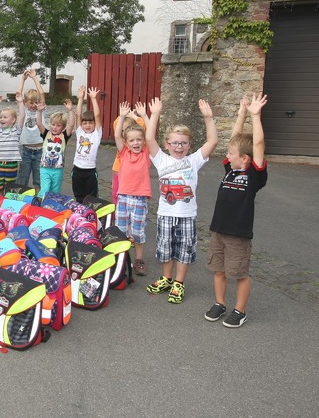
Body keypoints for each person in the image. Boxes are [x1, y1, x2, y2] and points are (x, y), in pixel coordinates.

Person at [140, 97, 218, 304]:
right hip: (166, 214)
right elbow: (149, 139)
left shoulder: (193, 160)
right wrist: (155, 114)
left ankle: (179, 282)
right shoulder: (161, 159)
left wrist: (209, 118)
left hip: (187, 215)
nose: (179, 146)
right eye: (174, 143)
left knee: (184, 249)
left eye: (183, 143)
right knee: (165, 248)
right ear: (167, 144)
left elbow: (212, 142)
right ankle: (166, 278)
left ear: (189, 144)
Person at [204, 93, 268, 328]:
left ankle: (240, 310)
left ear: (246, 159)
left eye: (232, 153)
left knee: (239, 273)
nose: (227, 155)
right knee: (218, 270)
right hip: (219, 230)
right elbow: (234, 138)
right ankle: (220, 303)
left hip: (238, 235)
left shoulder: (254, 175)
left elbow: (258, 144)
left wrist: (255, 115)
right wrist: (241, 112)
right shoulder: (230, 170)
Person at [114, 101, 152, 276]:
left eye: (139, 139)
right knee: (121, 230)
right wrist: (122, 117)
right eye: (132, 140)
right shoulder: (124, 152)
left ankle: (138, 260)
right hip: (123, 197)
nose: (136, 143)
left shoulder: (146, 153)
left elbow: (151, 135)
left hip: (139, 199)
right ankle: (122, 259)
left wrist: (143, 116)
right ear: (126, 143)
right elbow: (116, 135)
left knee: (137, 232)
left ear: (143, 141)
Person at [34, 97, 75, 197]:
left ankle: (51, 207)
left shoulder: (64, 136)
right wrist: (39, 111)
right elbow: (39, 124)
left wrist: (70, 110)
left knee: (55, 192)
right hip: (45, 168)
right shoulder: (46, 133)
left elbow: (71, 125)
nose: (54, 127)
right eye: (53, 124)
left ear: (63, 127)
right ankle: (40, 205)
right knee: (45, 189)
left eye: (58, 125)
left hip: (58, 170)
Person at [15, 69, 46, 192]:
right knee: (23, 178)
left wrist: (34, 78)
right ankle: (20, 201)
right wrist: (23, 79)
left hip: (40, 150)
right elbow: (18, 94)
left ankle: (38, 201)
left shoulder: (41, 110)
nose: (34, 105)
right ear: (26, 102)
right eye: (31, 102)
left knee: (38, 179)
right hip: (26, 150)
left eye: (36, 102)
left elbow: (42, 93)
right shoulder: (24, 111)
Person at [71, 85, 102, 202]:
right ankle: (79, 216)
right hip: (77, 170)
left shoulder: (97, 134)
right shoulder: (79, 132)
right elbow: (78, 115)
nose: (87, 125)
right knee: (78, 197)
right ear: (82, 125)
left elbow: (98, 116)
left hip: (90, 171)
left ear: (94, 124)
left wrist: (93, 99)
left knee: (91, 198)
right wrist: (80, 98)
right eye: (85, 123)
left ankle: (91, 216)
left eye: (90, 123)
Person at [0, 93, 25, 194]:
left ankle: (8, 203)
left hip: (12, 164)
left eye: (5, 117)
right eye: (1, 117)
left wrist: (20, 102)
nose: (2, 119)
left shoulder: (16, 131)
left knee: (10, 187)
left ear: (13, 120)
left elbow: (22, 116)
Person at [111, 112, 146, 206]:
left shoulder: (136, 142)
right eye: (122, 130)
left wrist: (134, 116)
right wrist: (122, 115)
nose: (124, 132)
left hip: (131, 176)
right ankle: (116, 217)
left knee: (130, 197)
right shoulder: (122, 142)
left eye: (128, 129)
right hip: (118, 172)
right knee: (116, 195)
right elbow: (116, 125)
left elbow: (143, 125)